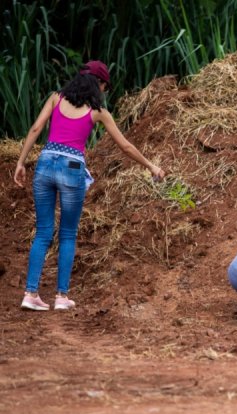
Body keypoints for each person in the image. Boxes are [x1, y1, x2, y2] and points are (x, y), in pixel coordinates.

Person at [14, 60, 165, 311]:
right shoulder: (97, 112)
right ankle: (61, 297)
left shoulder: (56, 98)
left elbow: (35, 128)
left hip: (45, 163)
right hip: (72, 169)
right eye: (104, 87)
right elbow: (125, 146)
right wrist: (151, 166)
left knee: (43, 232)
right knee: (68, 234)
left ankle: (30, 293)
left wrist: (21, 162)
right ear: (100, 84)